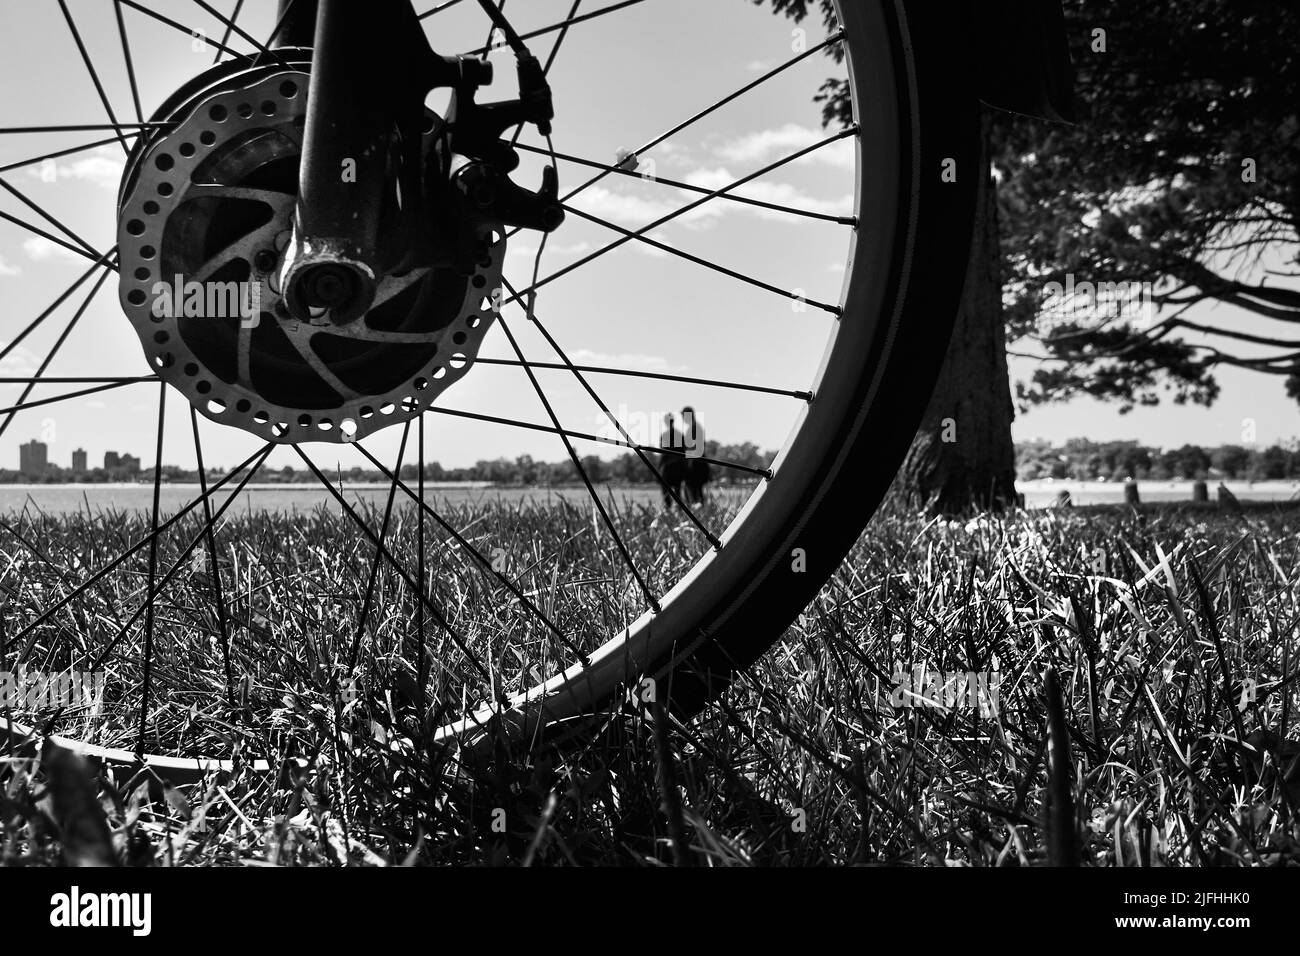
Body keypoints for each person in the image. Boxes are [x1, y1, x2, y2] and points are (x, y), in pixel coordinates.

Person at [681, 406, 712, 505]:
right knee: (697, 492)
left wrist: (688, 465)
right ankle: (699, 509)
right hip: (698, 464)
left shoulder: (694, 428)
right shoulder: (695, 427)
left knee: (694, 493)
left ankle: (697, 510)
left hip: (695, 465)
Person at [658, 413, 688, 508]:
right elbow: (684, 453)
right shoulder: (680, 435)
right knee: (677, 491)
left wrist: (659, 468)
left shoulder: (664, 435)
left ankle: (669, 509)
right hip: (679, 468)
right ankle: (679, 509)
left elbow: (663, 454)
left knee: (665, 490)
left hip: (669, 468)